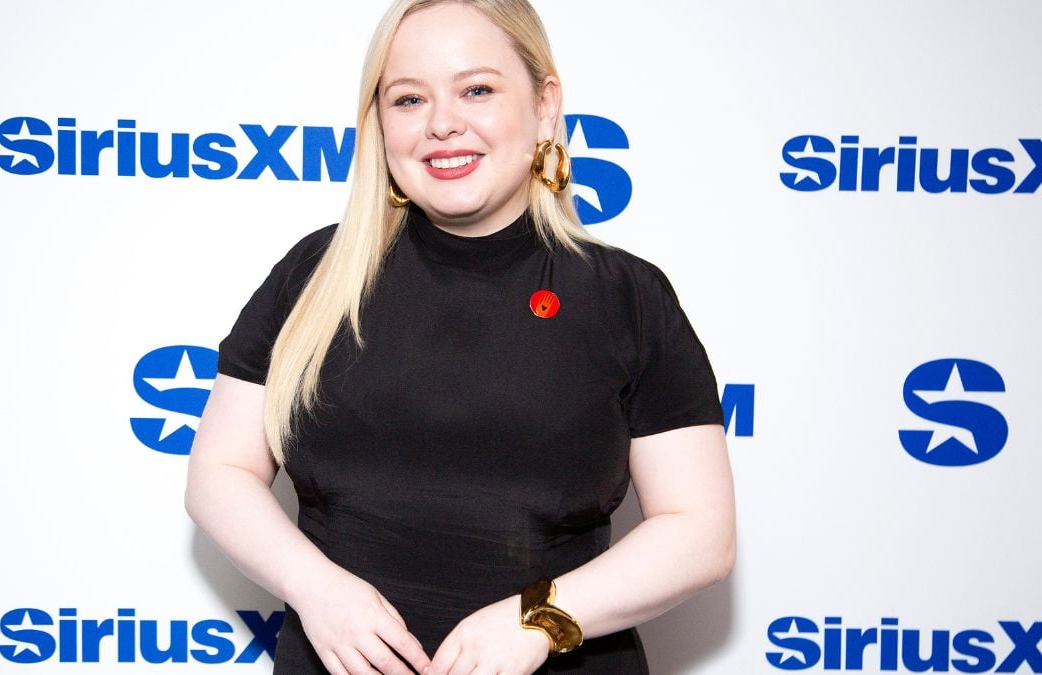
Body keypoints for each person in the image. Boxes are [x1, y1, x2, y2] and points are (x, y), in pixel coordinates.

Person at [184, 1, 736, 673]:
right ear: (378, 120)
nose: (443, 123)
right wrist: (315, 587)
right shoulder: (314, 276)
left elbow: (700, 531)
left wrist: (542, 616)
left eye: (477, 89)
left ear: (544, 104)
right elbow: (220, 474)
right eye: (409, 98)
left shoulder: (626, 297)